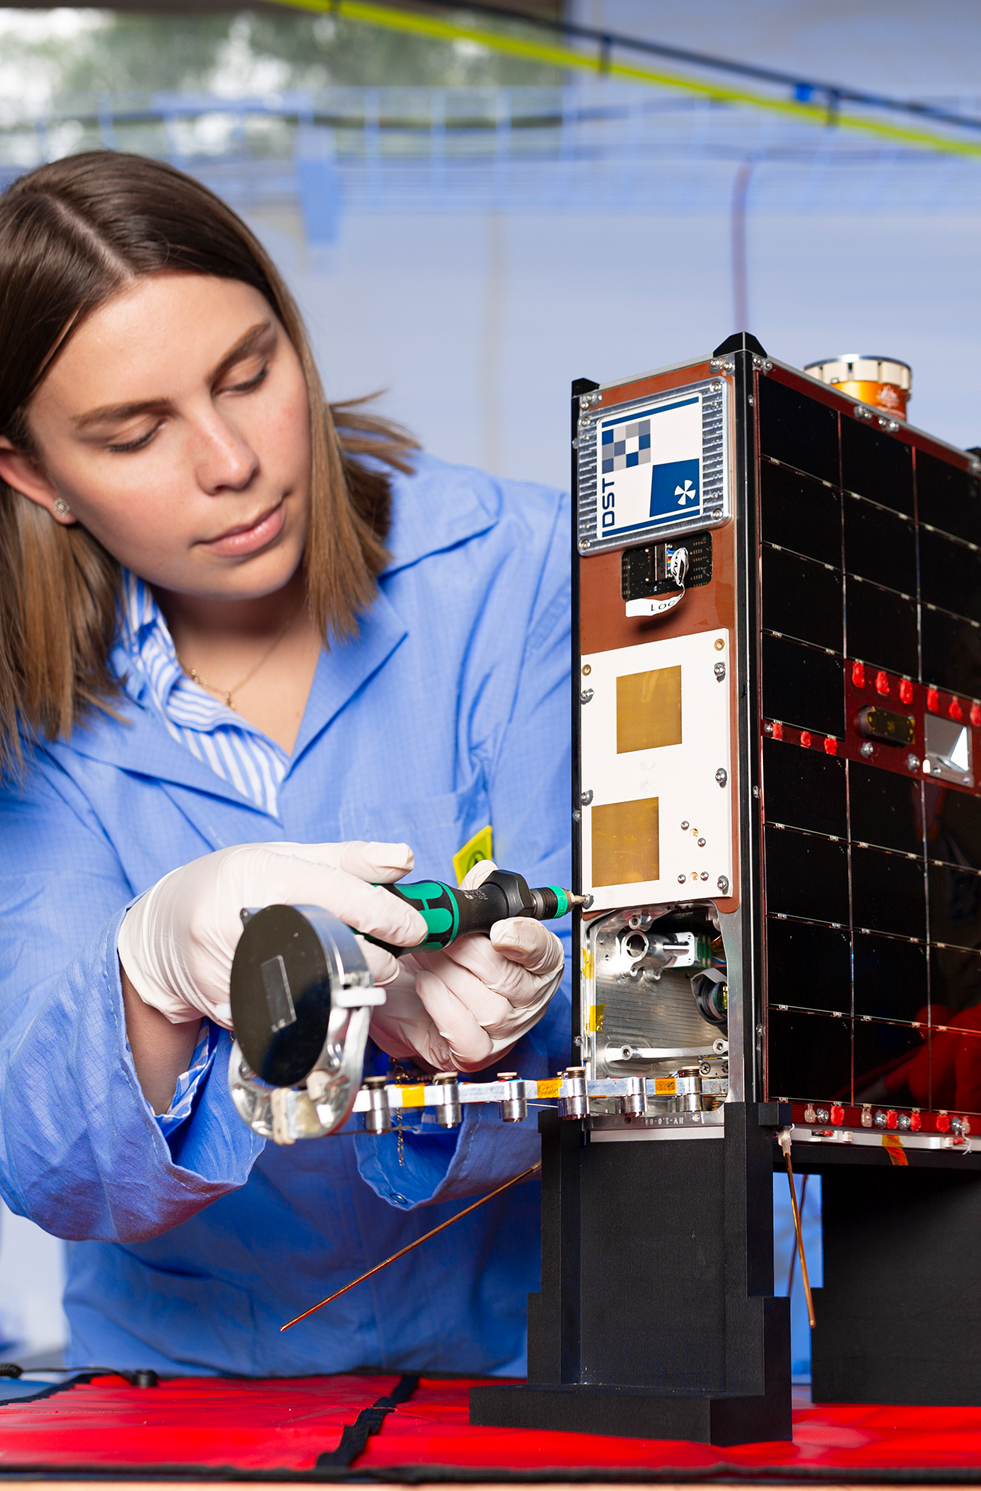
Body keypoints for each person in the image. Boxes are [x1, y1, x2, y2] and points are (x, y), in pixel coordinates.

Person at [0, 152, 572, 1377]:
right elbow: (45, 1152)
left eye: (249, 374)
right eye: (134, 432)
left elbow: (640, 1006)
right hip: (188, 1401)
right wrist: (153, 976)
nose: (230, 460)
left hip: (544, 1373)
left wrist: (487, 1020)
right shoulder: (24, 716)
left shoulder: (523, 573)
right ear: (36, 475)